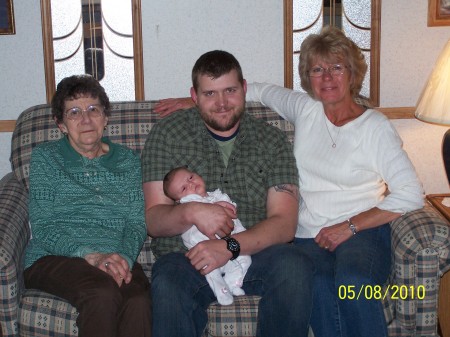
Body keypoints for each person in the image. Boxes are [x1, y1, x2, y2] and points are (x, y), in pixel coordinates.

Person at [153, 27, 425, 337]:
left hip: (360, 230)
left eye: (337, 67)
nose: (327, 77)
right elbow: (254, 90)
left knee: (353, 283)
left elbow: (411, 194)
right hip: (310, 235)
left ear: (352, 72)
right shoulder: (305, 109)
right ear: (308, 78)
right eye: (317, 70)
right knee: (319, 285)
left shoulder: (375, 127)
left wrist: (349, 226)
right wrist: (203, 102)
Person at [141, 50, 313, 337]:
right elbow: (154, 220)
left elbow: (284, 223)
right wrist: (191, 211)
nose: (221, 103)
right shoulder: (167, 135)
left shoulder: (271, 140)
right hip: (185, 257)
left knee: (295, 266)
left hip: (256, 253)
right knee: (167, 280)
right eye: (210, 94)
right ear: (194, 96)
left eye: (230, 91)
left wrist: (229, 246)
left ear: (244, 89)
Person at [24, 75, 151, 337]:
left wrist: (124, 259)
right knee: (101, 292)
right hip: (55, 257)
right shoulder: (46, 158)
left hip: (116, 255)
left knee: (138, 301)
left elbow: (136, 222)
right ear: (60, 124)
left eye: (93, 109)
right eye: (74, 112)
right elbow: (43, 226)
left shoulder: (127, 161)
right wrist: (90, 256)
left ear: (106, 117)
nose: (85, 119)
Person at [163, 166, 252, 305]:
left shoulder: (215, 195)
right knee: (211, 270)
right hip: (203, 247)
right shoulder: (187, 202)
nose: (191, 184)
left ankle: (233, 283)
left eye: (191, 178)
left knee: (246, 259)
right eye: (184, 188)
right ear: (178, 199)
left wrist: (224, 205)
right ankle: (221, 291)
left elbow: (233, 213)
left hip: (229, 244)